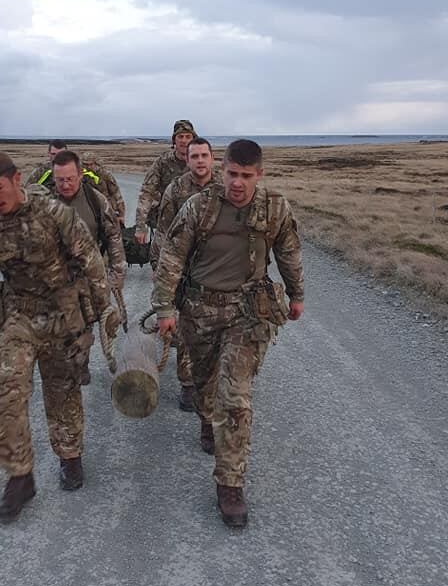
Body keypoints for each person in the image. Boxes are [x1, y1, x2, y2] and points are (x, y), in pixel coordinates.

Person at [0, 151, 116, 522]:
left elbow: (90, 261)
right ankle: (19, 476)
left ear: (16, 180)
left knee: (62, 389)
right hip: (20, 314)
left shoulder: (54, 213)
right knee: (7, 386)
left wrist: (102, 313)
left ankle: (69, 457)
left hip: (63, 314)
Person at [151, 139, 304, 529]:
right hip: (199, 311)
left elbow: (288, 251)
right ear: (223, 170)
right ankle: (206, 418)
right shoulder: (199, 207)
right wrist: (166, 307)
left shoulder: (274, 208)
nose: (238, 183)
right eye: (232, 174)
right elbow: (172, 257)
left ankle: (230, 484)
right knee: (204, 384)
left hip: (248, 311)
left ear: (259, 174)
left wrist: (297, 294)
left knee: (235, 396)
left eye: (246, 176)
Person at [149, 137, 222, 412]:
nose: (200, 161)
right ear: (187, 160)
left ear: (212, 158)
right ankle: (188, 384)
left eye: (205, 155)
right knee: (187, 330)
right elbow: (164, 232)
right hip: (184, 269)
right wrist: (160, 269)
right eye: (195, 156)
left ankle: (216, 382)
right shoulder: (176, 189)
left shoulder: (225, 189)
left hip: (217, 269)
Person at [51, 150, 126, 384]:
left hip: (89, 275)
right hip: (55, 278)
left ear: (81, 174)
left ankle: (80, 363)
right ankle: (64, 365)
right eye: (60, 179)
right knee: (58, 326)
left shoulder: (96, 200)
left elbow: (113, 236)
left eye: (70, 178)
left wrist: (118, 270)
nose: (65, 184)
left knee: (86, 323)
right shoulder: (43, 202)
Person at [134, 120, 196, 244]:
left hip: (194, 224)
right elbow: (147, 193)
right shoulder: (162, 163)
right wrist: (140, 226)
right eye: (180, 137)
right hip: (166, 225)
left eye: (188, 137)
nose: (184, 140)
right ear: (174, 140)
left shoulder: (200, 162)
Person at [80, 151, 126, 225]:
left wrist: (121, 215)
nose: (88, 167)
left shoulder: (105, 175)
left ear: (95, 163)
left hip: (107, 211)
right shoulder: (79, 175)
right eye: (85, 164)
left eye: (91, 164)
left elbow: (116, 194)